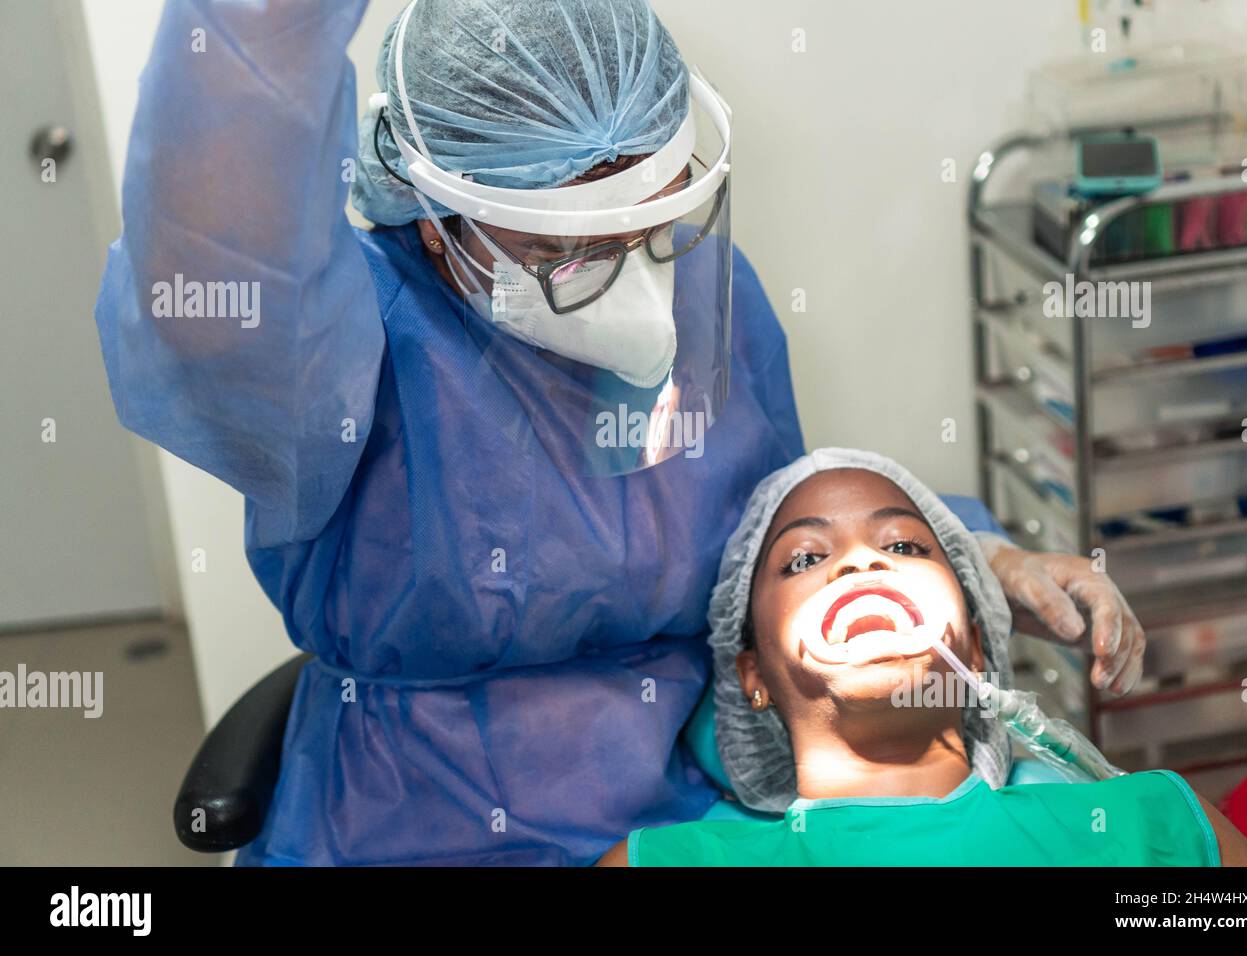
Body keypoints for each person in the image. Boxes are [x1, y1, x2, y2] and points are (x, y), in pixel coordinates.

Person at [94, 0, 1144, 866]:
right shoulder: (340, 348)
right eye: (569, 247)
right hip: (411, 826)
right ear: (435, 214)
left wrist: (978, 556)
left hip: (689, 809)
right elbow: (218, 265)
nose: (638, 281)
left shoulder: (704, 293)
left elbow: (776, 524)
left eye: (651, 221)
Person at [598, 449, 1247, 866]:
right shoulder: (668, 863)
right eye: (805, 558)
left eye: (906, 547)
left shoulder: (1157, 827)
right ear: (753, 677)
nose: (862, 562)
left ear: (976, 644)